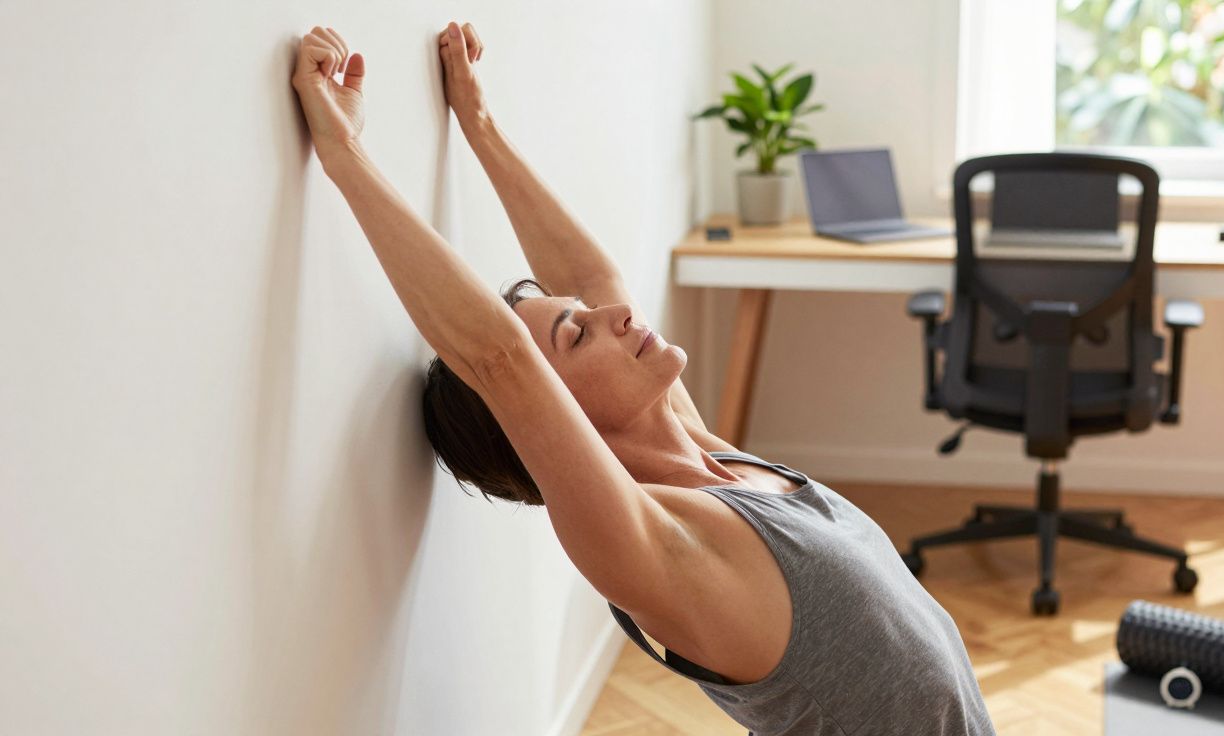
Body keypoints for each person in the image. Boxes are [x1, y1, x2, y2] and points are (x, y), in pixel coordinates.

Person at [290, 22, 995, 735]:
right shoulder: (657, 546)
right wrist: (344, 151)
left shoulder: (702, 453)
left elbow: (590, 278)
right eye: (577, 334)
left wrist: (479, 123)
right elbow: (499, 358)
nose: (616, 316)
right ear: (551, 411)